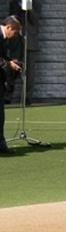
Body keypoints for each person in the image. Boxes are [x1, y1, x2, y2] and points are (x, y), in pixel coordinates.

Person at [1, 14, 23, 154]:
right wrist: (8, 64)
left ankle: (1, 144)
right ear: (9, 27)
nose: (16, 35)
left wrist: (11, 61)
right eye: (15, 31)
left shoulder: (3, 37)